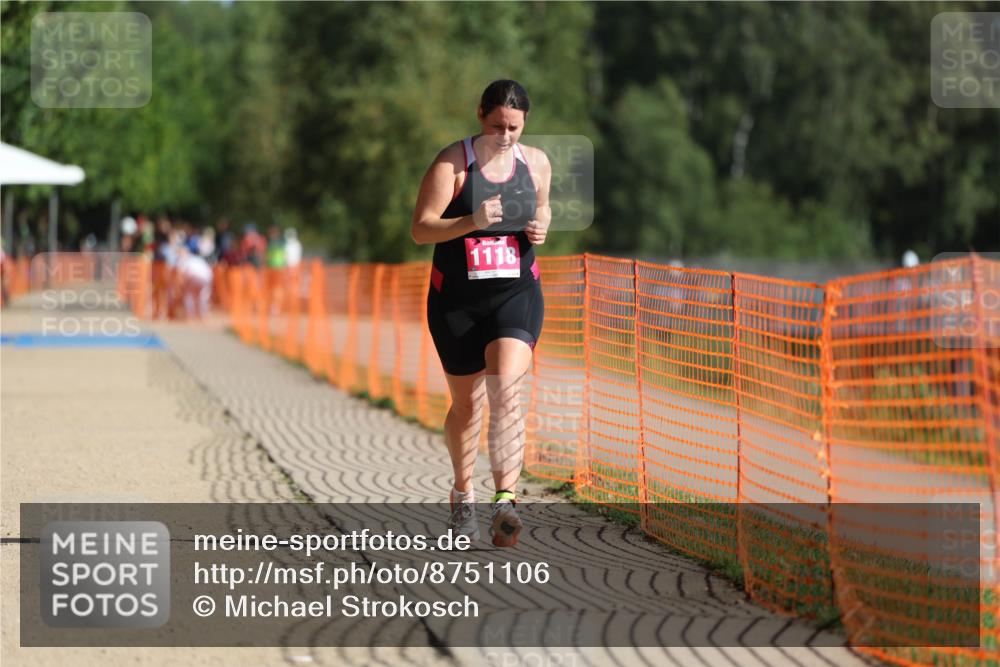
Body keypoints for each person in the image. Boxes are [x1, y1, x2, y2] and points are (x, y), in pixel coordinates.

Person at [411, 79, 551, 547]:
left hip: (515, 293)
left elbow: (545, 208)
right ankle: (463, 493)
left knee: (507, 393)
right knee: (468, 406)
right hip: (457, 303)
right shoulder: (453, 164)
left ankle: (506, 500)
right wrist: (472, 221)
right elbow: (420, 229)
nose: (505, 135)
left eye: (514, 127)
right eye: (497, 126)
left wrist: (542, 224)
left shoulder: (536, 163)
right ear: (480, 116)